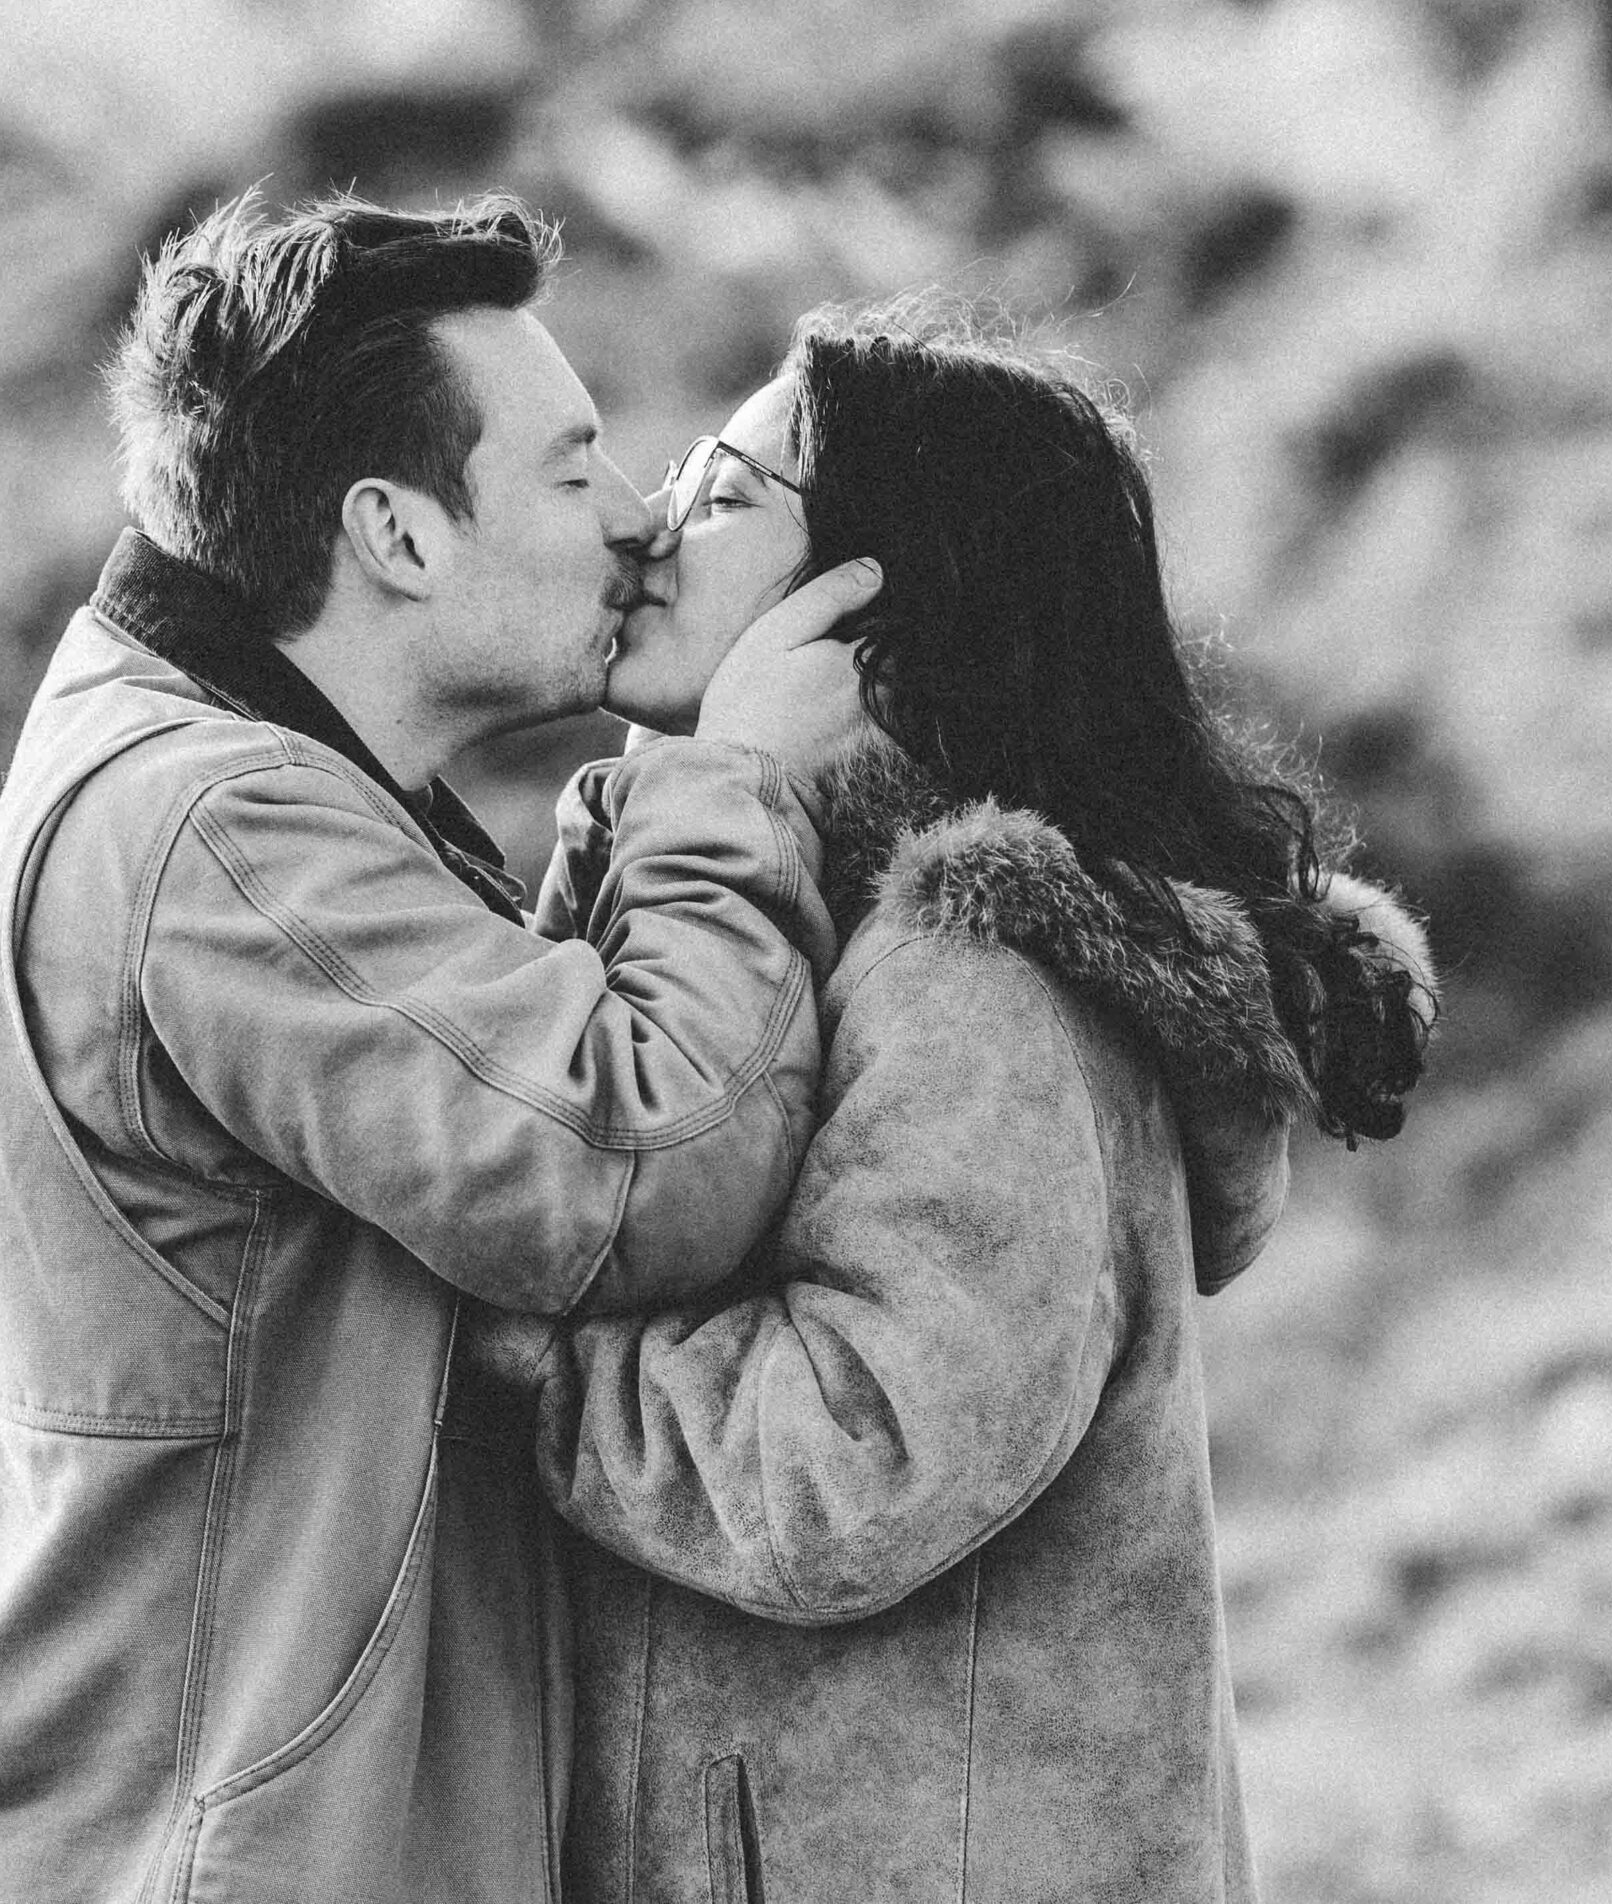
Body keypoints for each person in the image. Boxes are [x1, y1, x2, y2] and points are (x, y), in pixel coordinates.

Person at [0, 194, 880, 1904]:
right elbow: (639, 1174)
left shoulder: (251, 775)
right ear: (396, 535)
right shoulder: (224, 829)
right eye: (570, 471)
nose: (636, 522)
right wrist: (739, 784)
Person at [476, 303, 1438, 1904]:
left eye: (725, 496)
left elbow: (854, 1468)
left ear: (873, 612)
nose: (646, 523)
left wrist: (505, 1330)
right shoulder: (817, 932)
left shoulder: (969, 979)